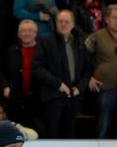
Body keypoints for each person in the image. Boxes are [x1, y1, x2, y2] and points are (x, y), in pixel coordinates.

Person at [32, 9, 91, 138]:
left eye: (66, 21)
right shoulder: (46, 41)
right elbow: (37, 68)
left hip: (73, 98)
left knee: (69, 137)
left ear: (73, 24)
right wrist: (58, 84)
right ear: (56, 23)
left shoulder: (80, 43)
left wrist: (79, 88)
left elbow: (87, 70)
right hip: (52, 97)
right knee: (52, 135)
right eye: (60, 21)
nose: (63, 24)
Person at [85, 4, 117, 138]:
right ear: (106, 19)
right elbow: (81, 58)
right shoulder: (96, 37)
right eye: (115, 18)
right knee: (103, 128)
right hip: (105, 89)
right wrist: (89, 77)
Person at [0, 19, 39, 129]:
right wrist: (5, 86)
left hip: (38, 101)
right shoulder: (11, 51)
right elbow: (0, 70)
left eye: (30, 30)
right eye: (24, 31)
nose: (27, 33)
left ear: (36, 33)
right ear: (19, 34)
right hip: (16, 100)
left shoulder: (43, 51)